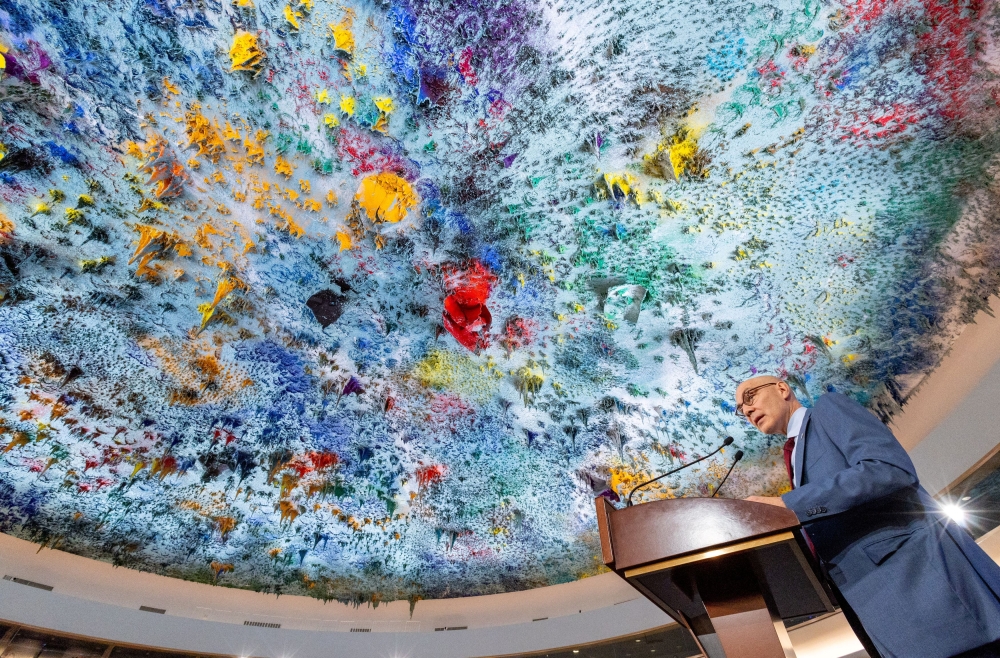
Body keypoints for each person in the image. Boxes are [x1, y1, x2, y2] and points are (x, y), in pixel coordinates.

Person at [735, 375, 1000, 658]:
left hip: (922, 586)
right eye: (741, 410)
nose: (747, 410)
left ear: (782, 388)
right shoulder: (794, 454)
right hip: (878, 609)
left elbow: (887, 468)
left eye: (750, 397)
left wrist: (789, 504)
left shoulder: (827, 410)